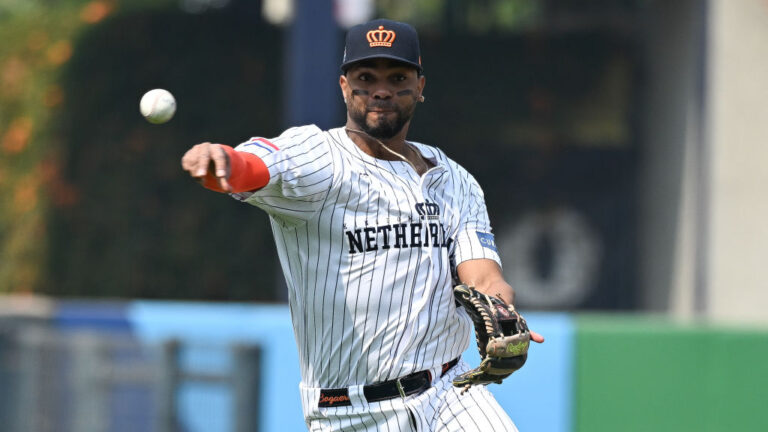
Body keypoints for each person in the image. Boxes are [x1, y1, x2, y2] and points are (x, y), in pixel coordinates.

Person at [181, 18, 543, 432]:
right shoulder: (318, 158)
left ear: (420, 86)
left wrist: (502, 308)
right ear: (343, 85)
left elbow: (483, 276)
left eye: (398, 77)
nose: (382, 90)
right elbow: (257, 165)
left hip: (450, 394)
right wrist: (223, 161)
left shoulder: (453, 180)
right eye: (365, 77)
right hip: (350, 413)